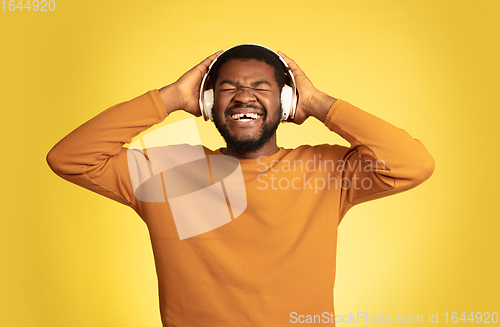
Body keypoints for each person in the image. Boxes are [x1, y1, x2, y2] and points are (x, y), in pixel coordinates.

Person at [47, 44, 434, 326]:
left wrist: (318, 103)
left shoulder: (327, 169)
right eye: (229, 87)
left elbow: (413, 164)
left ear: (284, 101)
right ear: (208, 102)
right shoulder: (168, 171)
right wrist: (170, 98)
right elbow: (69, 158)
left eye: (261, 87)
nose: (244, 95)